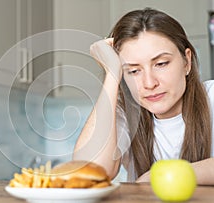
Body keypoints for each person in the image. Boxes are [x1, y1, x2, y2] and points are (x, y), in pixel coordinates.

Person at [73, 7, 214, 185]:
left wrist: (159, 176)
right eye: (133, 70)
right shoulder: (124, 115)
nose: (149, 83)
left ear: (186, 62)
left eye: (161, 64)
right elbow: (87, 173)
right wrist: (112, 74)